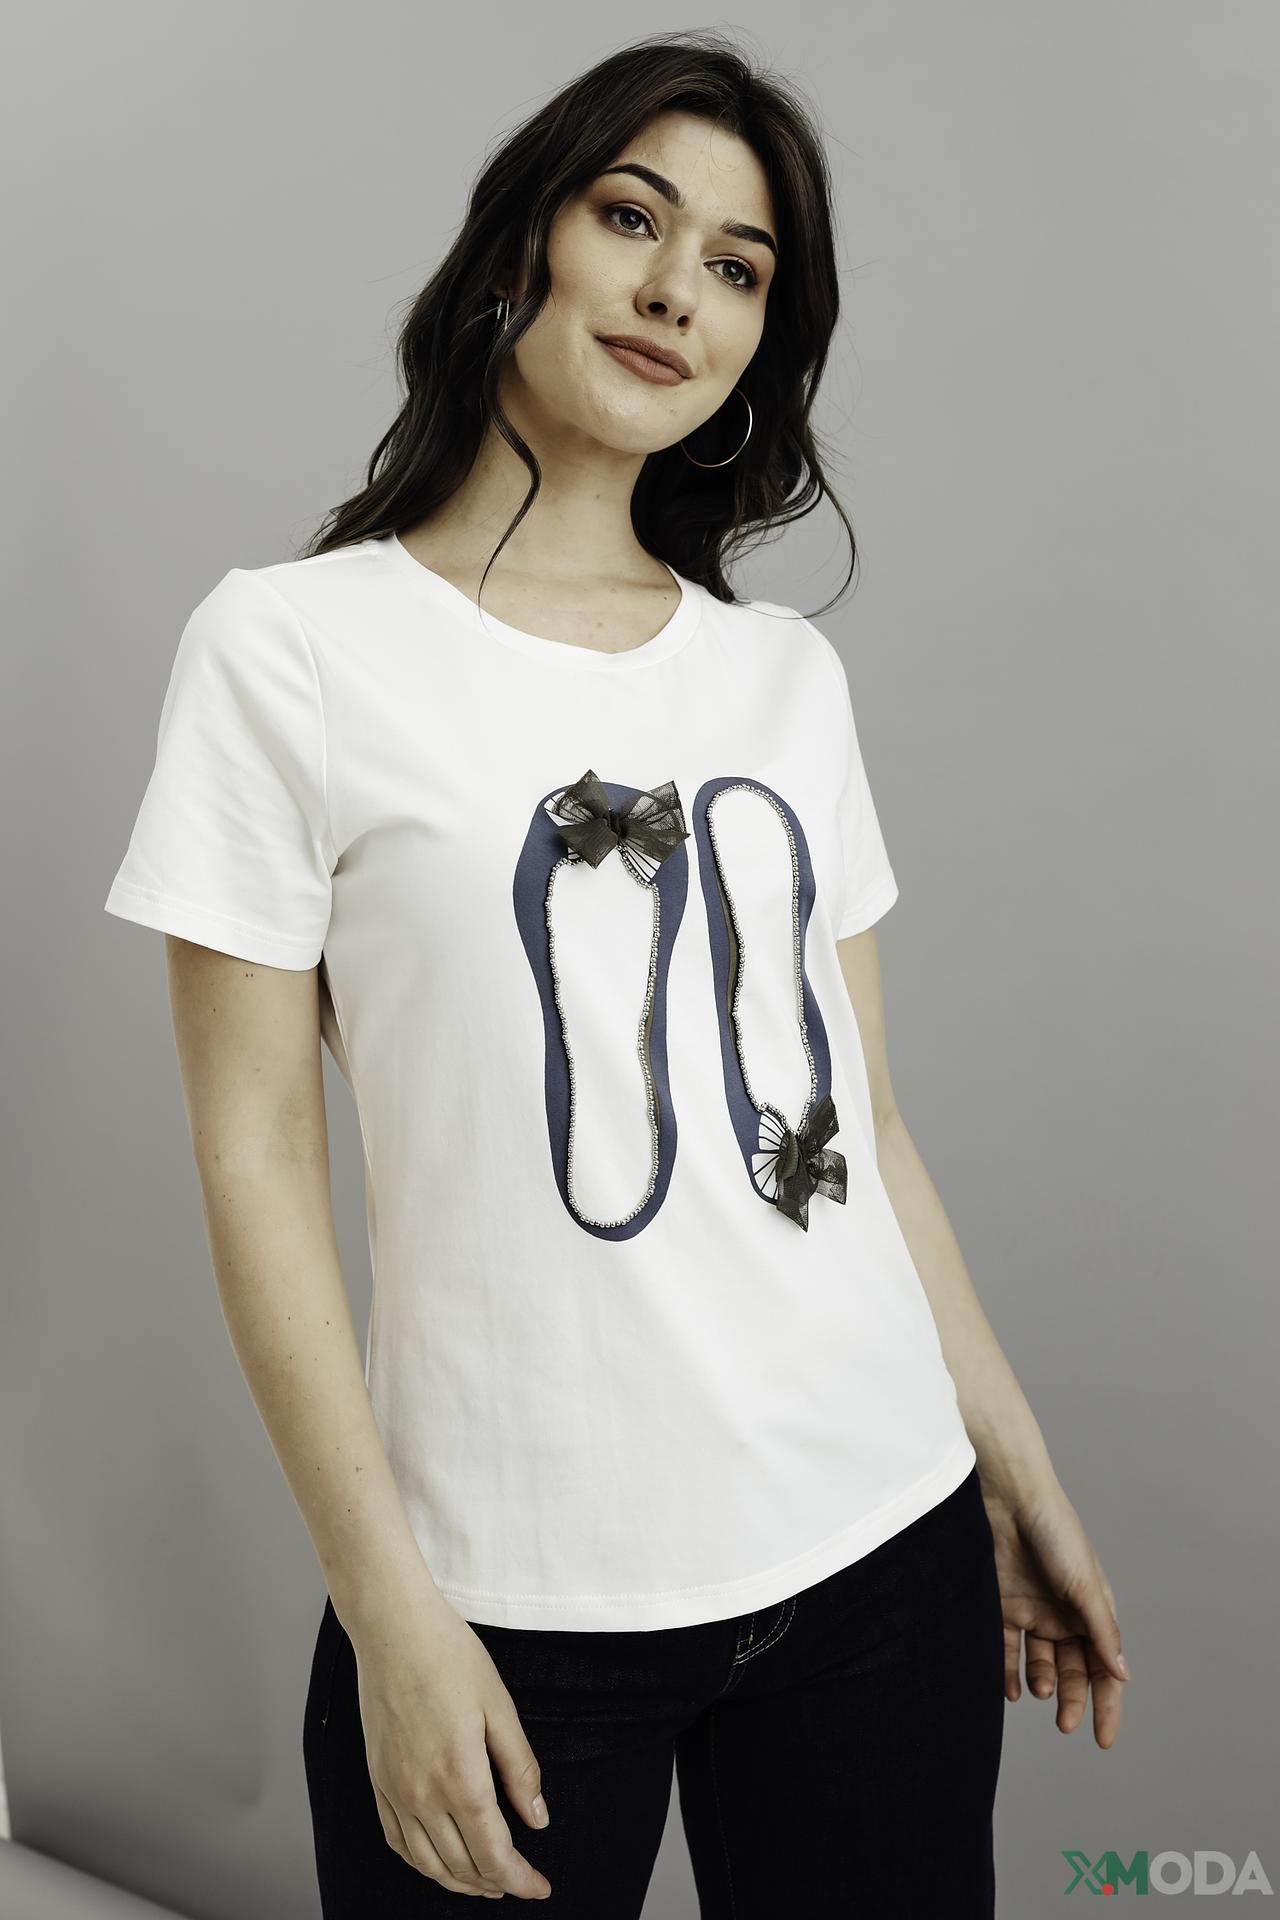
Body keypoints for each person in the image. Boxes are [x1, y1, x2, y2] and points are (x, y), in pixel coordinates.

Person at [103, 30, 1129, 1917]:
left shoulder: (781, 678)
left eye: (737, 266)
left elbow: (865, 1126)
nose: (676, 292)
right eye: (632, 219)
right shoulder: (290, 652)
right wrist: (389, 1615)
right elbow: (253, 1165)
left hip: (877, 1543)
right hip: (507, 1604)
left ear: (758, 345)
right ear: (525, 245)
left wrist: (1013, 1458)